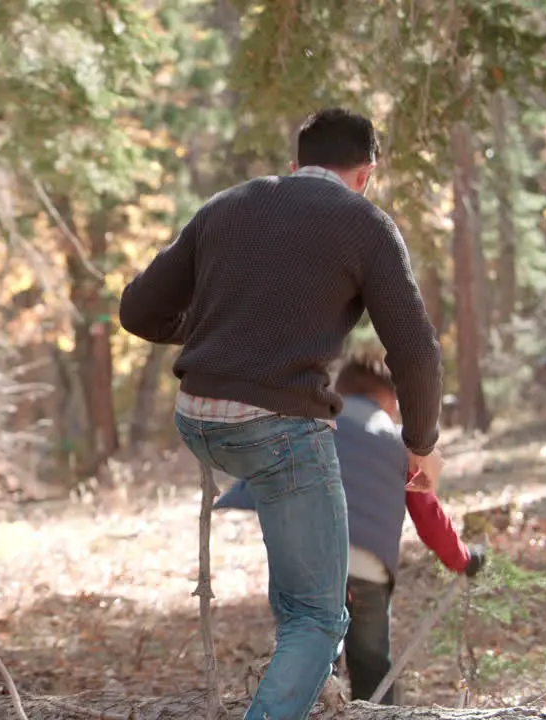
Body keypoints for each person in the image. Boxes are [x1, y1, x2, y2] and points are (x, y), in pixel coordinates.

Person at [118, 107, 445, 720]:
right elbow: (415, 349)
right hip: (277, 429)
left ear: (295, 167)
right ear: (365, 174)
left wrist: (213, 336)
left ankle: (296, 674)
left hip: (200, 419)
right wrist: (421, 442)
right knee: (320, 618)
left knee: (302, 589)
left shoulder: (227, 205)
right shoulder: (365, 223)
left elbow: (137, 311)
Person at [215, 348, 486, 705]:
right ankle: (377, 712)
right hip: (368, 571)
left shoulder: (311, 426)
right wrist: (463, 558)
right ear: (390, 399)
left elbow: (271, 473)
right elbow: (428, 515)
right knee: (373, 665)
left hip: (309, 564)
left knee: (309, 659)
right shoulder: (398, 442)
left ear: (339, 391)